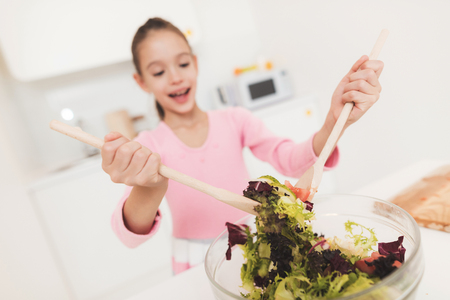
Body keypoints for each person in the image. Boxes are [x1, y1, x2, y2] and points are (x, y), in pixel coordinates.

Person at [105, 18, 384, 275]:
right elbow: (127, 234)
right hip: (193, 265)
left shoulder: (234, 120)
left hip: (253, 250)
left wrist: (335, 122)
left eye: (183, 64)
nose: (176, 77)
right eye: (158, 71)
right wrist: (148, 187)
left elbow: (290, 160)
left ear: (196, 64)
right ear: (141, 81)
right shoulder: (148, 145)